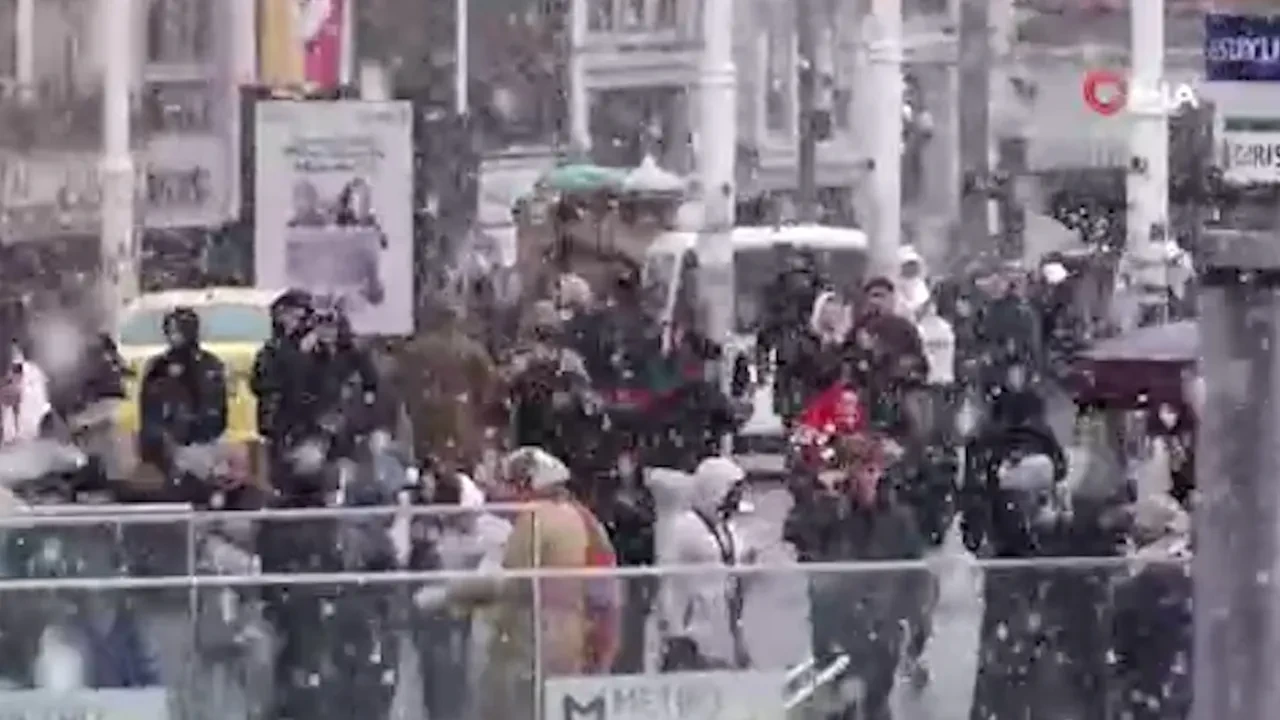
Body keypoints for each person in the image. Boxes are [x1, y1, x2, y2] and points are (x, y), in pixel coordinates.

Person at [414, 447, 621, 720]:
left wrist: (447, 595)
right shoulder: (582, 517)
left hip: (538, 642)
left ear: (526, 484)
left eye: (508, 484)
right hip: (578, 636)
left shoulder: (536, 518)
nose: (501, 493)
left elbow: (508, 584)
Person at [785, 432, 927, 720]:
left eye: (872, 470)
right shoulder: (830, 511)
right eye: (859, 470)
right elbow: (798, 538)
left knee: (875, 704)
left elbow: (915, 573)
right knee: (837, 704)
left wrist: (916, 627)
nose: (866, 479)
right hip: (836, 630)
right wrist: (824, 499)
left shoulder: (897, 518)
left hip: (881, 631)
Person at [655, 457, 753, 671]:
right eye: (732, 491)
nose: (735, 499)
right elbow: (668, 579)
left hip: (723, 624)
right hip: (693, 631)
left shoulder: (726, 527)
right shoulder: (685, 527)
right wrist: (673, 629)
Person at [136, 307, 228, 477]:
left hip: (203, 441)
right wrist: (152, 443)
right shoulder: (159, 366)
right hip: (170, 443)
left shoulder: (210, 363)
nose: (174, 336)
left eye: (178, 331)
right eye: (170, 331)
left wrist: (208, 430)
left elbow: (218, 404)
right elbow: (148, 409)